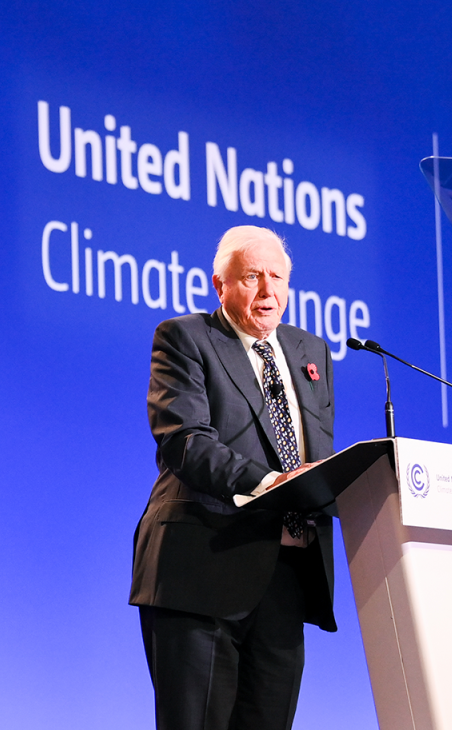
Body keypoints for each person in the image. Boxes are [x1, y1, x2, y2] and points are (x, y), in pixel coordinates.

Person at [129, 225, 337, 730]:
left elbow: (318, 454)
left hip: (287, 576)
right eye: (252, 277)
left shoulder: (312, 352)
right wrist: (273, 484)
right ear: (220, 285)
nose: (268, 291)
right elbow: (186, 441)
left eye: (278, 277)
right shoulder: (185, 338)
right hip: (202, 569)